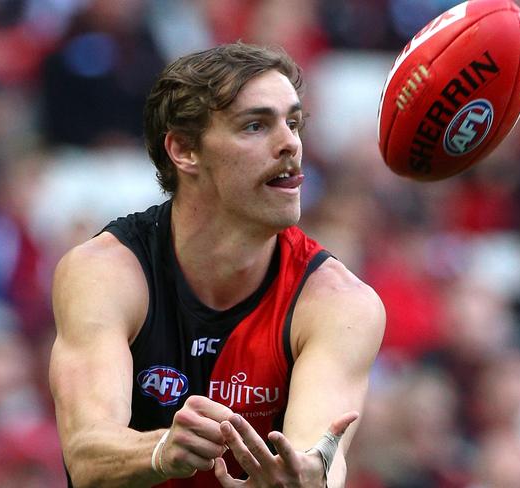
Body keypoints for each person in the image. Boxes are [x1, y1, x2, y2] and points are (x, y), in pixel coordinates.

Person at [49, 42, 385, 488]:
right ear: (184, 150)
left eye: (294, 122)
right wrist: (161, 452)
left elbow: (317, 457)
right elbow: (87, 454)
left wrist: (304, 478)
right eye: (255, 126)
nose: (291, 143)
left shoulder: (341, 304)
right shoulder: (105, 273)